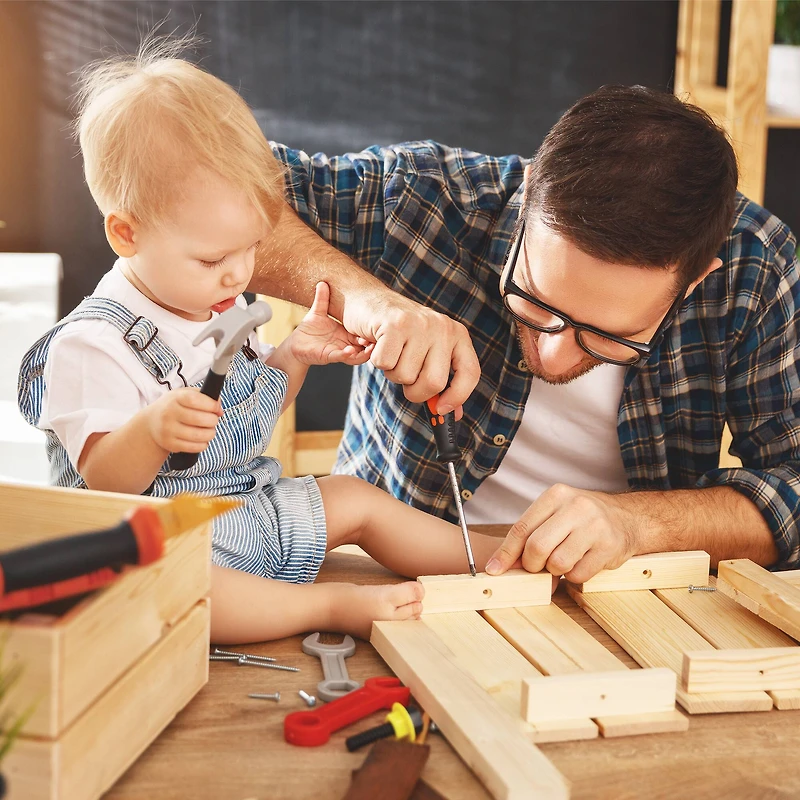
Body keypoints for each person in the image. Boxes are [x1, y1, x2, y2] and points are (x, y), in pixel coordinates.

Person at [16, 40, 509, 643]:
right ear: (126, 233)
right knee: (183, 586)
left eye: (251, 247)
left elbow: (250, 413)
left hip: (247, 509)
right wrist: (148, 432)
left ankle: (496, 555)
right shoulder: (93, 345)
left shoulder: (215, 303)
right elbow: (102, 481)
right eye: (214, 257)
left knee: (357, 498)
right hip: (159, 539)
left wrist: (293, 355)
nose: (239, 274)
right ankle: (329, 608)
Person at [248, 85, 800, 583]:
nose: (555, 356)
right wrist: (369, 300)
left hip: (619, 592)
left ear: (698, 277)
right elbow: (192, 179)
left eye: (609, 337)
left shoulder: (754, 269)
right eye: (536, 300)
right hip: (383, 578)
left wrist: (642, 523)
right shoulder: (426, 200)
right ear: (530, 191)